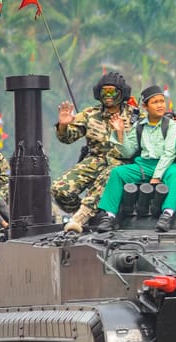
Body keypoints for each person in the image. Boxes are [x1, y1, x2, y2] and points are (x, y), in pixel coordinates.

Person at [53, 72, 135, 233]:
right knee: (60, 189)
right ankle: (89, 215)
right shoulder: (90, 114)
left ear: (122, 93)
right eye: (105, 92)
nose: (108, 96)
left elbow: (155, 126)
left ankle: (80, 218)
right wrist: (63, 126)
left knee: (111, 173)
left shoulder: (135, 115)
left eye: (112, 92)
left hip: (122, 161)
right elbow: (67, 138)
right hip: (95, 159)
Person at [96, 85, 176, 233]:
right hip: (144, 166)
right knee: (118, 173)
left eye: (162, 101)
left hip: (166, 165)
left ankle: (167, 214)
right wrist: (120, 133)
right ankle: (109, 216)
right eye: (155, 102)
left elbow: (169, 153)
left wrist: (157, 176)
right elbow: (128, 152)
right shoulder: (139, 127)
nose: (160, 105)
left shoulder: (171, 126)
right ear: (145, 106)